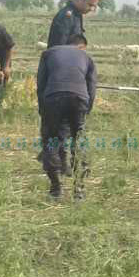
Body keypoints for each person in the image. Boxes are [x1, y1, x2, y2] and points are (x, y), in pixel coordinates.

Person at [36, 34, 97, 200]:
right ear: (81, 46)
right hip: (79, 99)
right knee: (79, 140)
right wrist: (86, 111)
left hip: (53, 97)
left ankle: (56, 189)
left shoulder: (48, 53)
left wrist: (43, 110)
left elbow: (41, 83)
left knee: (52, 140)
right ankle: (79, 191)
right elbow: (92, 87)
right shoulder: (87, 57)